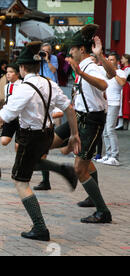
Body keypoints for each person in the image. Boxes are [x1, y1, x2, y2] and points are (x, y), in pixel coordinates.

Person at [0, 41, 80, 241]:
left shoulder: (24, 88)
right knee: (32, 162)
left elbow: (6, 116)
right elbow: (70, 108)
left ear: (22, 68)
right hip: (47, 133)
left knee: (20, 181)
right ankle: (63, 170)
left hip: (31, 136)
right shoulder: (50, 83)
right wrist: (74, 134)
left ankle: (40, 227)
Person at [51, 26, 112, 223]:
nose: (70, 52)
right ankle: (91, 194)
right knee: (49, 141)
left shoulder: (90, 67)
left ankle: (103, 211)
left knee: (79, 168)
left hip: (92, 121)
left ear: (82, 50)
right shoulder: (84, 67)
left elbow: (104, 85)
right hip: (78, 116)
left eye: (73, 49)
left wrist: (81, 72)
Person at [96, 52, 126, 166]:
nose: (110, 61)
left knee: (110, 129)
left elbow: (122, 83)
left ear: (117, 61)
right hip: (106, 104)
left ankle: (115, 156)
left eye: (112, 60)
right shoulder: (104, 72)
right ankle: (108, 155)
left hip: (114, 103)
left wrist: (113, 73)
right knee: (104, 131)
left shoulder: (120, 72)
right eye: (108, 59)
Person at [0, 64, 22, 147]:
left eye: (11, 72)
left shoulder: (22, 85)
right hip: (10, 116)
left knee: (18, 146)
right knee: (4, 141)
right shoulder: (6, 86)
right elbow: (6, 102)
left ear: (17, 74)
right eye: (7, 72)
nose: (8, 74)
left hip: (21, 118)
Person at [116, 53, 130, 130]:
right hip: (122, 87)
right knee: (121, 103)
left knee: (123, 103)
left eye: (123, 58)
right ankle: (120, 123)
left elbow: (124, 77)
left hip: (125, 87)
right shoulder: (123, 69)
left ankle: (121, 123)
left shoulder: (128, 69)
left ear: (127, 59)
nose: (121, 60)